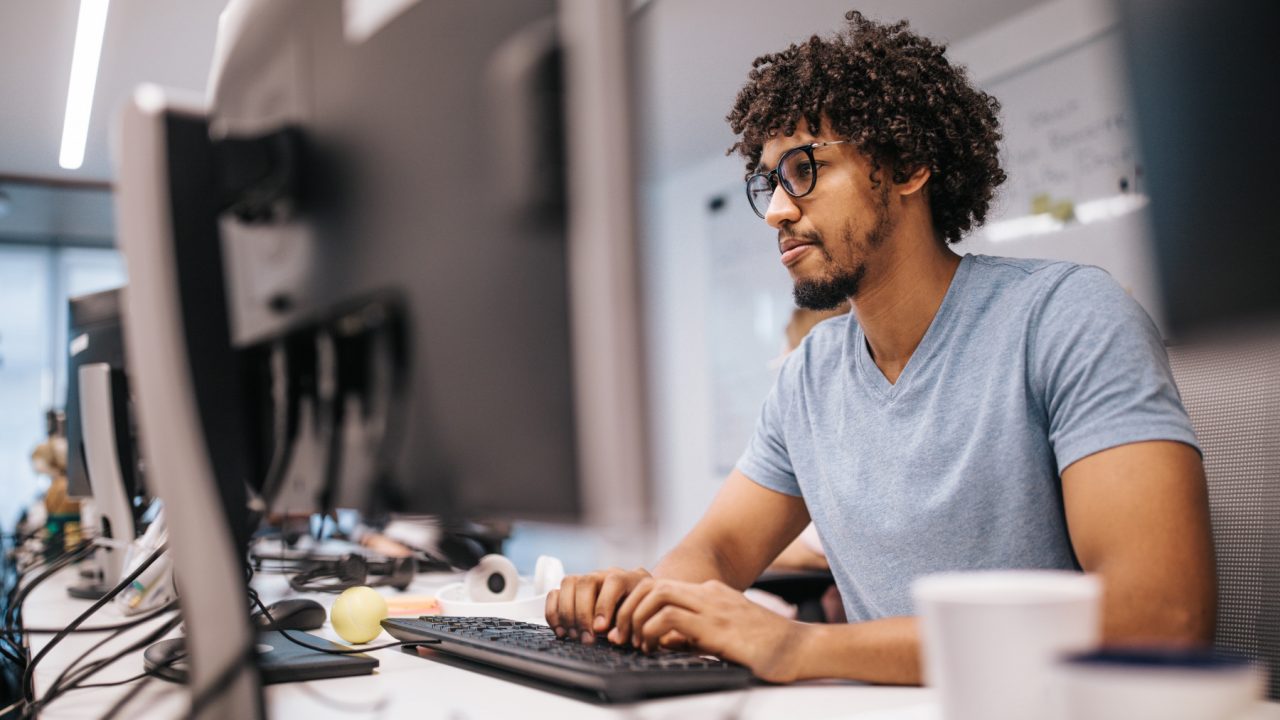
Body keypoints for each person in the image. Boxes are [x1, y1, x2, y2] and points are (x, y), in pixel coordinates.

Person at [546, 11, 1214, 685]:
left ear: (908, 167)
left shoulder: (1068, 318)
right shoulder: (808, 375)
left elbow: (1160, 619)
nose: (777, 209)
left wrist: (799, 647)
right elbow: (716, 552)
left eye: (804, 169)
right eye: (769, 182)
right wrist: (634, 598)